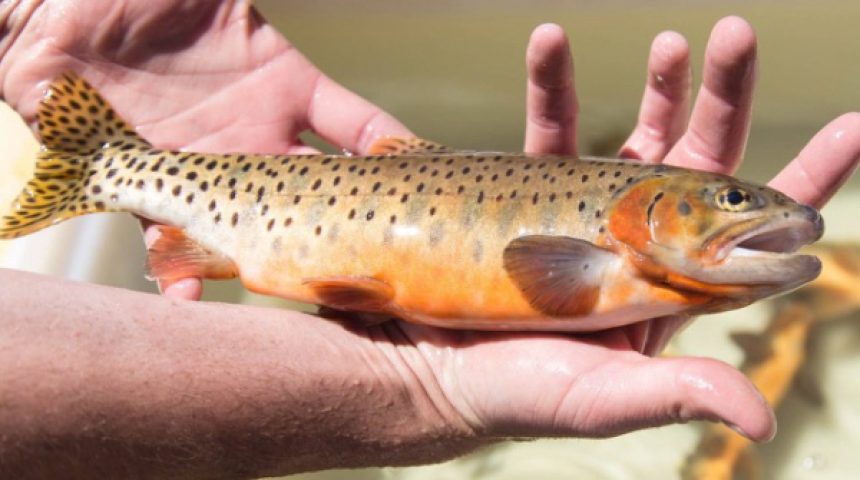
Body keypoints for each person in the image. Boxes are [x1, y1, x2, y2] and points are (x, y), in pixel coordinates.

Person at [0, 2, 857, 478]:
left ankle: (111, 168)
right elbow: (543, 275)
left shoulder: (647, 270)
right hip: (279, 213)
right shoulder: (618, 255)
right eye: (733, 199)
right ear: (653, 208)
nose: (764, 216)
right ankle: (111, 169)